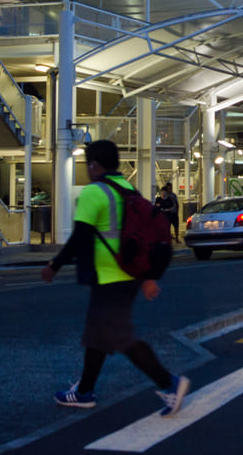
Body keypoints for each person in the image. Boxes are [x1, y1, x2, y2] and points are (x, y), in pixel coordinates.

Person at [41, 140, 190, 416]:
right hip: (129, 276)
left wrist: (54, 264)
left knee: (122, 337)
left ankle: (170, 383)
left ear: (94, 165)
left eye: (88, 164)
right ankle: (84, 391)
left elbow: (80, 236)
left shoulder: (95, 192)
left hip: (110, 279)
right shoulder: (128, 190)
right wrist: (148, 276)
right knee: (97, 335)